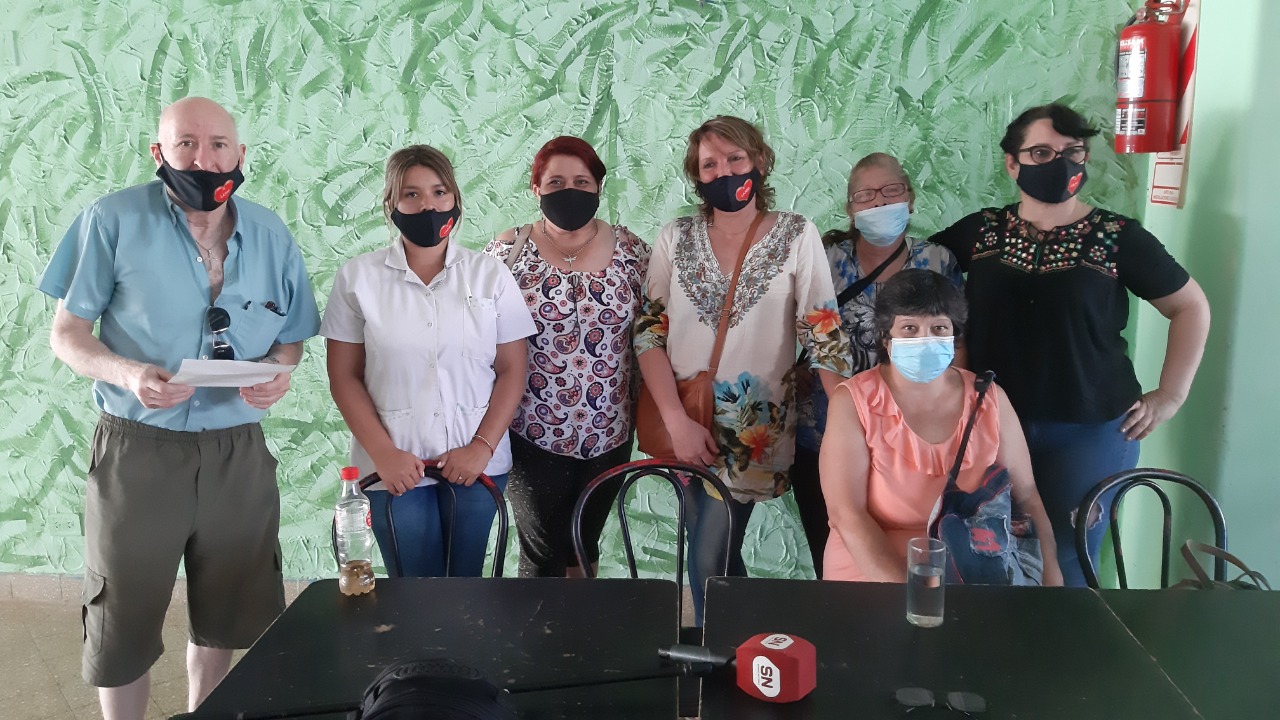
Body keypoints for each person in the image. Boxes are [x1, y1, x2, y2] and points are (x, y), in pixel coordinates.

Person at [37, 96, 321, 720]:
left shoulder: (271, 233)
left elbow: (292, 336)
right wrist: (129, 373)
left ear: (240, 154)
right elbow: (67, 335)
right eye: (186, 143)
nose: (203, 159)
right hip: (139, 446)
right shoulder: (110, 220)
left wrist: (278, 373)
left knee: (226, 610)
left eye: (218, 145)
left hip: (238, 450)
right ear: (158, 152)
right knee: (123, 614)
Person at [930, 103, 1210, 586]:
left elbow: (1190, 307)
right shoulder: (981, 232)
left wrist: (1171, 395)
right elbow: (917, 281)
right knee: (983, 554)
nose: (1059, 163)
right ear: (1012, 163)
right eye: (1041, 152)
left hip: (1089, 430)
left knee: (1067, 558)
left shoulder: (1117, 237)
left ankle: (1066, 639)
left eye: (1072, 151)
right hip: (991, 423)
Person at [634, 116, 852, 622]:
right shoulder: (675, 237)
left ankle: (725, 651)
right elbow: (648, 333)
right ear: (697, 174)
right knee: (715, 553)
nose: (725, 171)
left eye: (736, 158)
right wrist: (676, 422)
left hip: (753, 428)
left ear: (758, 161)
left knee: (709, 557)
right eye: (710, 163)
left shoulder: (796, 233)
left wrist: (849, 415)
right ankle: (746, 648)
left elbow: (822, 330)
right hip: (682, 417)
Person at [323, 145, 535, 579]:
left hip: (476, 462)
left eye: (439, 192)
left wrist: (481, 447)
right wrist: (384, 454)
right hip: (393, 466)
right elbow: (343, 377)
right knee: (413, 591)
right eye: (411, 194)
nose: (428, 205)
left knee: (466, 587)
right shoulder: (358, 278)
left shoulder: (489, 275)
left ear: (455, 199)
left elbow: (513, 370)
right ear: (391, 204)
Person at [821, 269, 1062, 585]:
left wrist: (1051, 577)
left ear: (954, 336)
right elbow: (847, 515)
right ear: (886, 338)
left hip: (975, 567)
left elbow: (1027, 495)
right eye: (909, 328)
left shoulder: (989, 398)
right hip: (874, 573)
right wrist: (915, 596)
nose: (925, 340)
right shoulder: (854, 402)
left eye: (939, 328)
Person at [484, 136, 650, 578]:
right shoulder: (506, 253)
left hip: (611, 432)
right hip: (529, 431)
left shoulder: (632, 251)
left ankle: (583, 623)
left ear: (598, 187)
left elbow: (655, 331)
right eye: (555, 182)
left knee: (584, 544)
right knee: (542, 554)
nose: (569, 191)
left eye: (582, 181)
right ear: (535, 188)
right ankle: (538, 626)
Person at [792, 152, 961, 578]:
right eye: (866, 195)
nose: (880, 202)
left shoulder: (937, 261)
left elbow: (954, 344)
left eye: (891, 191)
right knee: (836, 547)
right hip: (827, 428)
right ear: (850, 208)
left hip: (917, 432)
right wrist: (858, 417)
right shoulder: (826, 260)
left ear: (910, 198)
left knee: (911, 546)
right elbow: (820, 340)